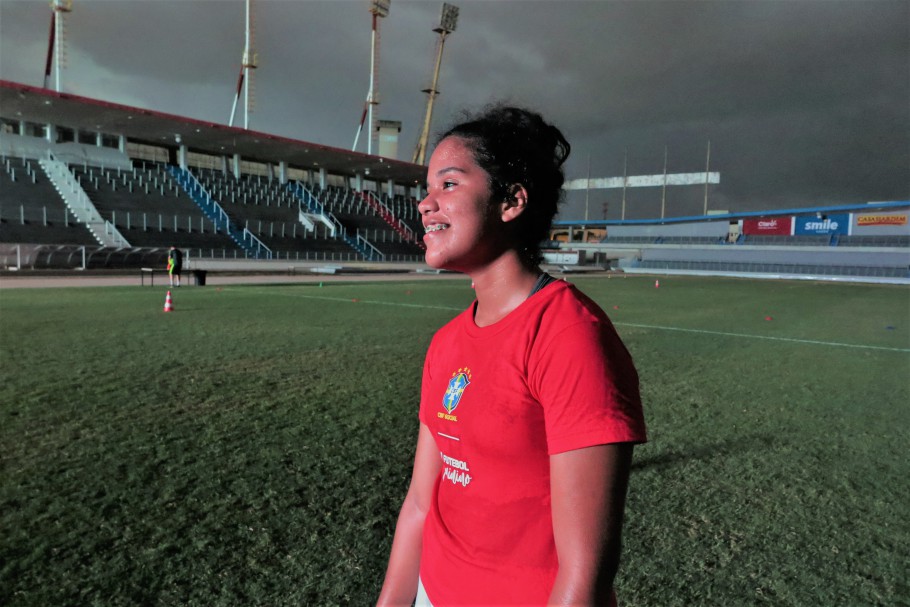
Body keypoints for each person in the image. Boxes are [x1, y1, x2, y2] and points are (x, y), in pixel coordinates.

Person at [376, 106, 647, 606]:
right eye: (428, 187)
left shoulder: (569, 335)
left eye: (449, 184)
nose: (425, 203)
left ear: (511, 201)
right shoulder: (447, 342)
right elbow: (419, 505)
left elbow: (585, 572)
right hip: (433, 592)